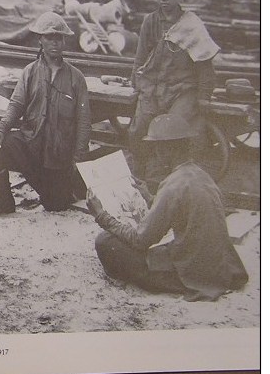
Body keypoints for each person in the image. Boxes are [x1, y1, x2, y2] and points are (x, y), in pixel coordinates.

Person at [86, 114, 247, 301]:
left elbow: (140, 240)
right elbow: (180, 209)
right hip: (215, 264)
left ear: (167, 148)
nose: (155, 152)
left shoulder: (172, 185)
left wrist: (101, 215)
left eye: (157, 147)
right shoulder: (202, 175)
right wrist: (148, 196)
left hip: (192, 270)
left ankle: (168, 281)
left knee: (105, 242)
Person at [0, 11, 90, 219]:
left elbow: (84, 122)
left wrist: (79, 159)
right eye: (49, 37)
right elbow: (16, 104)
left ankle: (61, 189)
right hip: (31, 146)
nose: (54, 43)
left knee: (55, 205)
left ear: (64, 41)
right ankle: (4, 201)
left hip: (58, 158)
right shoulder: (29, 72)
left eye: (58, 38)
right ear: (41, 40)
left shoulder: (76, 78)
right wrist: (0, 129)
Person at [130, 0, 219, 186]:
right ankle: (140, 178)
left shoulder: (192, 24)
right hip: (153, 88)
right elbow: (140, 57)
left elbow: (204, 63)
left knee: (175, 130)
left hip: (182, 90)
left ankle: (176, 181)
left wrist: (204, 96)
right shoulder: (150, 22)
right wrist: (137, 86)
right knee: (137, 130)